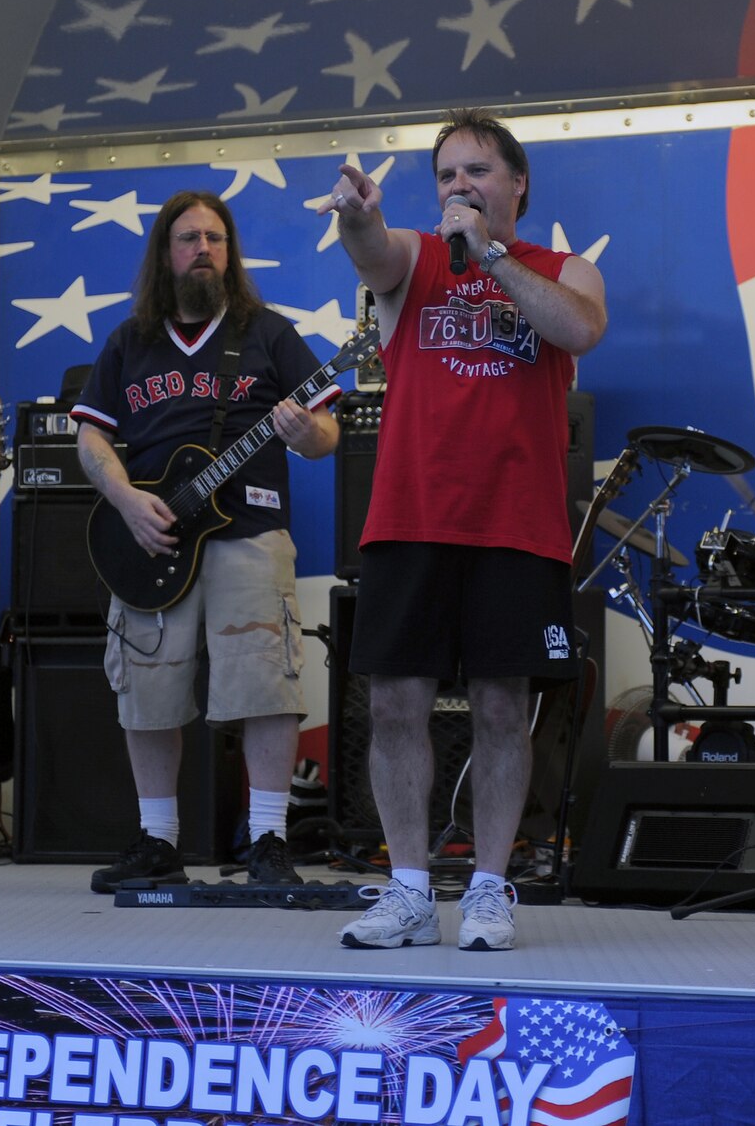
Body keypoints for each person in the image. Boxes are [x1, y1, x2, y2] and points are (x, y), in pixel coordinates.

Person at [320, 108, 607, 951]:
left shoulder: (566, 269)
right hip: (411, 514)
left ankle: (489, 886)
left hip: (516, 522)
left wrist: (489, 254)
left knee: (499, 703)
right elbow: (373, 253)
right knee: (395, 700)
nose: (459, 186)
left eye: (477, 171)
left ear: (517, 183)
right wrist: (359, 215)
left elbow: (579, 328)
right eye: (447, 174)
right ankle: (409, 888)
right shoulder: (415, 257)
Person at [74, 189, 340, 893]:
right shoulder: (130, 341)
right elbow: (90, 435)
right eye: (189, 237)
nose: (204, 249)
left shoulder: (267, 333)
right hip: (150, 536)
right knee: (149, 687)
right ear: (167, 252)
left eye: (216, 238)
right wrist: (127, 499)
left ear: (231, 252)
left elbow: (327, 434)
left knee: (265, 685)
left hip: (248, 529)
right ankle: (158, 841)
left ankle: (268, 841)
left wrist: (303, 431)